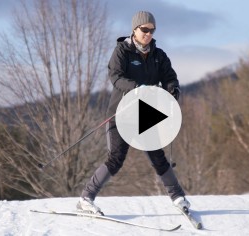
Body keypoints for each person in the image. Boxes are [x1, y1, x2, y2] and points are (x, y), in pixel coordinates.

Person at [77, 11, 190, 215]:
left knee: (158, 157)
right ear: (135, 30)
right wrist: (137, 87)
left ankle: (178, 197)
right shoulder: (122, 51)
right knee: (116, 158)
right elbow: (116, 77)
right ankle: (86, 198)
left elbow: (170, 77)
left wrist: (173, 90)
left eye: (152, 30)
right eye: (144, 29)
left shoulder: (159, 55)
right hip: (122, 112)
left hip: (145, 114)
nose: (148, 34)